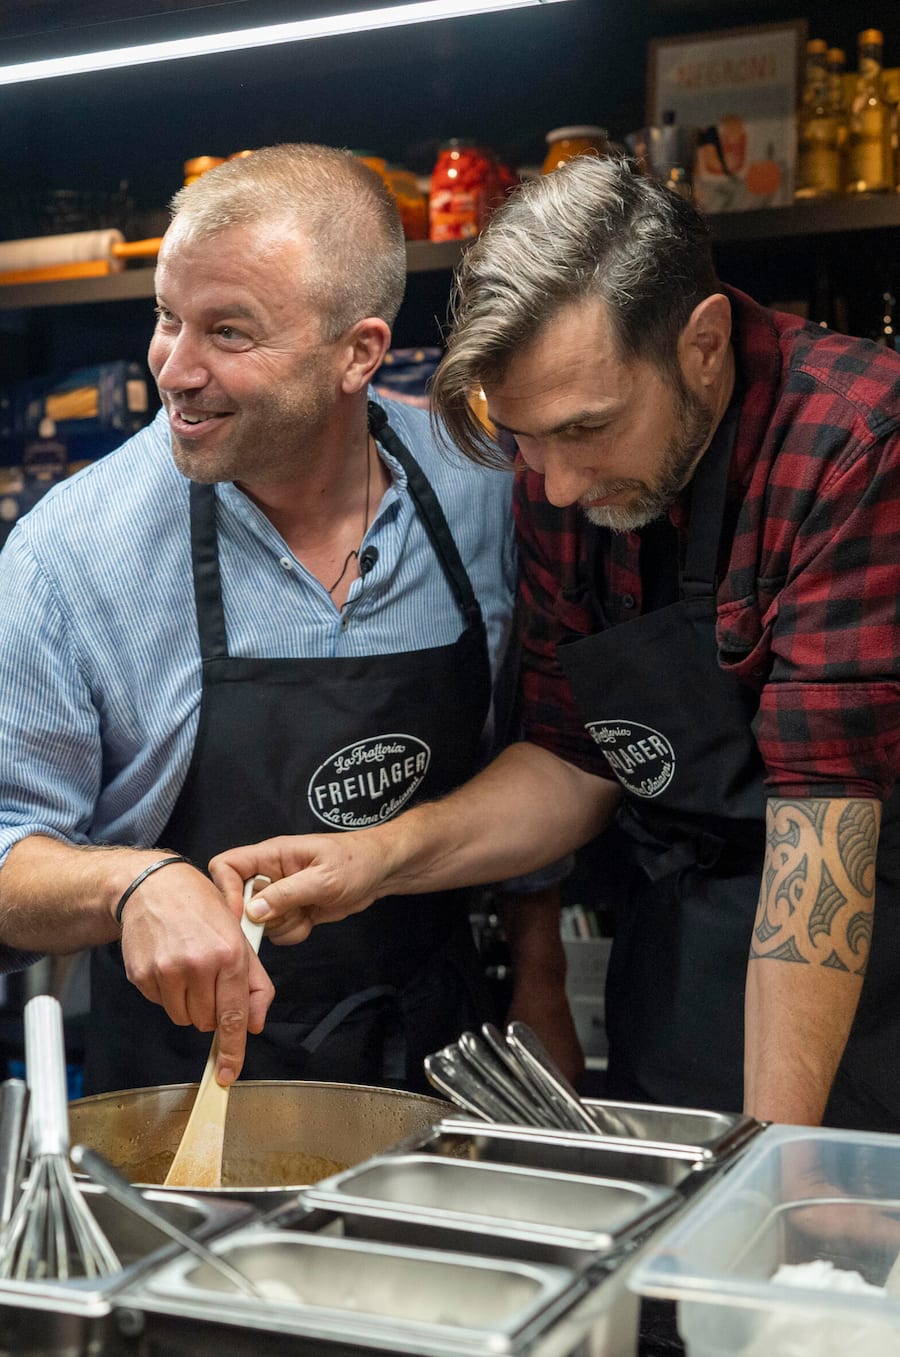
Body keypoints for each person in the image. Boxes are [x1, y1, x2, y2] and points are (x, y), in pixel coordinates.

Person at [211, 154, 900, 1131]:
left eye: (588, 430)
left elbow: (821, 850)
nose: (559, 486)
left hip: (863, 968)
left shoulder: (857, 440)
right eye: (529, 440)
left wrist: (770, 1176)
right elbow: (574, 764)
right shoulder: (556, 466)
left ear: (703, 345)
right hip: (687, 967)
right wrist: (379, 856)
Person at [0, 142, 579, 1097]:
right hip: (187, 1087)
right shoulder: (72, 552)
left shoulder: (483, 493)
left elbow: (535, 752)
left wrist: (542, 979)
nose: (173, 369)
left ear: (359, 351)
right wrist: (130, 882)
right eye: (166, 317)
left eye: (229, 332)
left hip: (443, 1058)